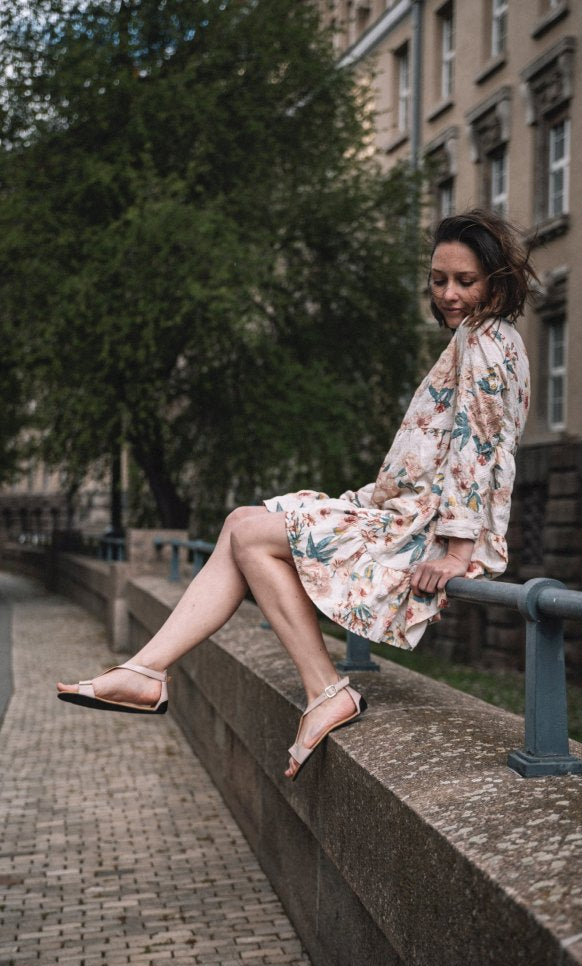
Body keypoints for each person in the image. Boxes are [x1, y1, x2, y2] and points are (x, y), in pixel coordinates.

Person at [57, 208, 535, 780]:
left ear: (496, 282)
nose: (449, 293)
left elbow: (480, 449)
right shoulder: (479, 337)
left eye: (465, 281)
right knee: (240, 522)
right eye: (439, 280)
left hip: (424, 530)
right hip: (400, 510)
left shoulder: (487, 341)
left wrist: (457, 551)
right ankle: (147, 672)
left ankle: (322, 689)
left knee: (251, 535)